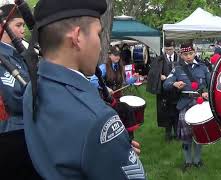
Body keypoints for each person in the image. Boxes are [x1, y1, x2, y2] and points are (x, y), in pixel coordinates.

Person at [22, 0, 145, 179]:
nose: (101, 45)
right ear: (77, 37)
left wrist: (109, 149)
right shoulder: (98, 119)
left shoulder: (32, 88)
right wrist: (111, 147)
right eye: (98, 34)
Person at [0, 4, 41, 179]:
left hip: (29, 131)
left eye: (23, 25)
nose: (23, 30)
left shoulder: (18, 54)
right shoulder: (3, 58)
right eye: (18, 25)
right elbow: (16, 98)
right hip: (14, 136)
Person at [163, 42, 210, 172]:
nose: (188, 56)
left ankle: (197, 160)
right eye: (185, 54)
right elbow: (166, 84)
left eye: (190, 53)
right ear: (181, 55)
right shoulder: (177, 69)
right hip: (185, 104)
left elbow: (211, 83)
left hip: (200, 104)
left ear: (194, 53)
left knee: (199, 134)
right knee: (186, 136)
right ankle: (188, 161)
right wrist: (174, 83)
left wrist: (207, 92)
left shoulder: (203, 67)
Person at [147, 40, 180, 141]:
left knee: (176, 111)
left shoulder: (179, 59)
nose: (168, 51)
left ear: (174, 48)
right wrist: (159, 76)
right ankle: (168, 134)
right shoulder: (159, 59)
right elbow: (152, 73)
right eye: (166, 49)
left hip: (177, 90)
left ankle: (177, 133)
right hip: (164, 91)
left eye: (170, 49)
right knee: (166, 112)